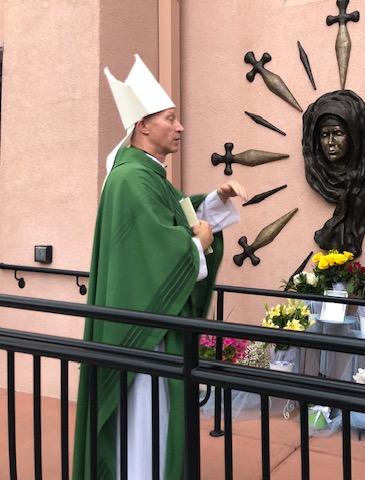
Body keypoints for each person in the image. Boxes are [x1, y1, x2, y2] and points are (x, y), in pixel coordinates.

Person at [72, 55, 247, 480]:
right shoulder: (132, 178)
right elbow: (158, 247)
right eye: (171, 118)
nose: (180, 127)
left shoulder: (146, 174)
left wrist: (215, 202)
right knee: (145, 423)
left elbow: (173, 216)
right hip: (143, 335)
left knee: (152, 421)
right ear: (143, 126)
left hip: (149, 326)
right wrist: (197, 244)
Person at [302, 90, 365, 257]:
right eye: (324, 135)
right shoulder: (317, 174)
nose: (330, 143)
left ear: (353, 135)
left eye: (338, 133)